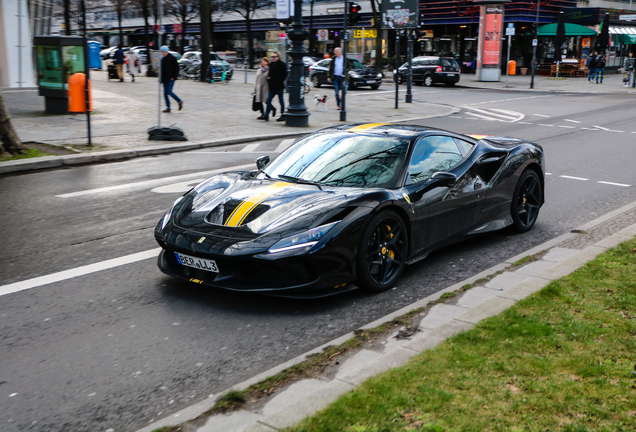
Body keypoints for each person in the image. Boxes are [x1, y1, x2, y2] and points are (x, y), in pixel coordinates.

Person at [261, 51, 287, 122]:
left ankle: (282, 114)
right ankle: (267, 114)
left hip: (279, 86)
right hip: (272, 86)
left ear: (278, 57)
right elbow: (269, 74)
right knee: (268, 99)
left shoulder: (282, 64)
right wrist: (269, 79)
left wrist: (278, 80)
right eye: (272, 57)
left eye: (274, 57)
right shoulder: (272, 64)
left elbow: (284, 75)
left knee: (281, 100)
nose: (273, 58)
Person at [160, 46, 183, 113]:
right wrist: (161, 79)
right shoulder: (163, 59)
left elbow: (176, 68)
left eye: (163, 52)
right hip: (165, 79)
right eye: (162, 52)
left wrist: (173, 76)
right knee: (165, 93)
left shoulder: (172, 58)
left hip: (171, 78)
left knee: (169, 91)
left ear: (166, 51)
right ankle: (168, 107)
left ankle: (179, 101)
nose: (162, 53)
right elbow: (162, 70)